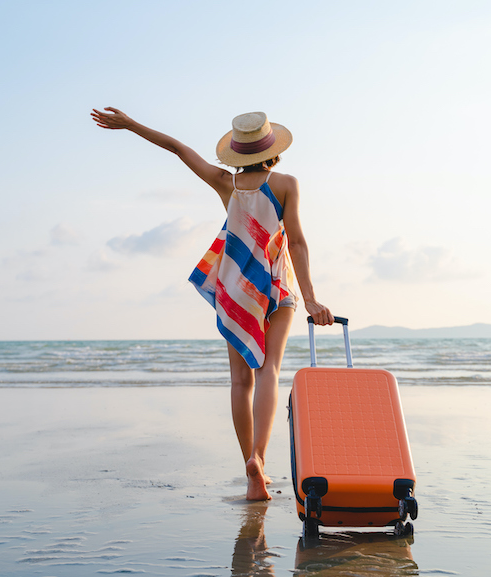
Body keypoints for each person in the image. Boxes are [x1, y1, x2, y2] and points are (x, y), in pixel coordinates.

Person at [91, 108, 333, 500]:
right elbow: (299, 242)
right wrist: (311, 298)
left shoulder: (225, 183)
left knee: (241, 380)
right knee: (270, 369)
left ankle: (250, 467)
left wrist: (130, 125)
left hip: (235, 288)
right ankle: (260, 457)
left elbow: (175, 147)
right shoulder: (287, 184)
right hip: (274, 285)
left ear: (237, 153)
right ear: (271, 149)